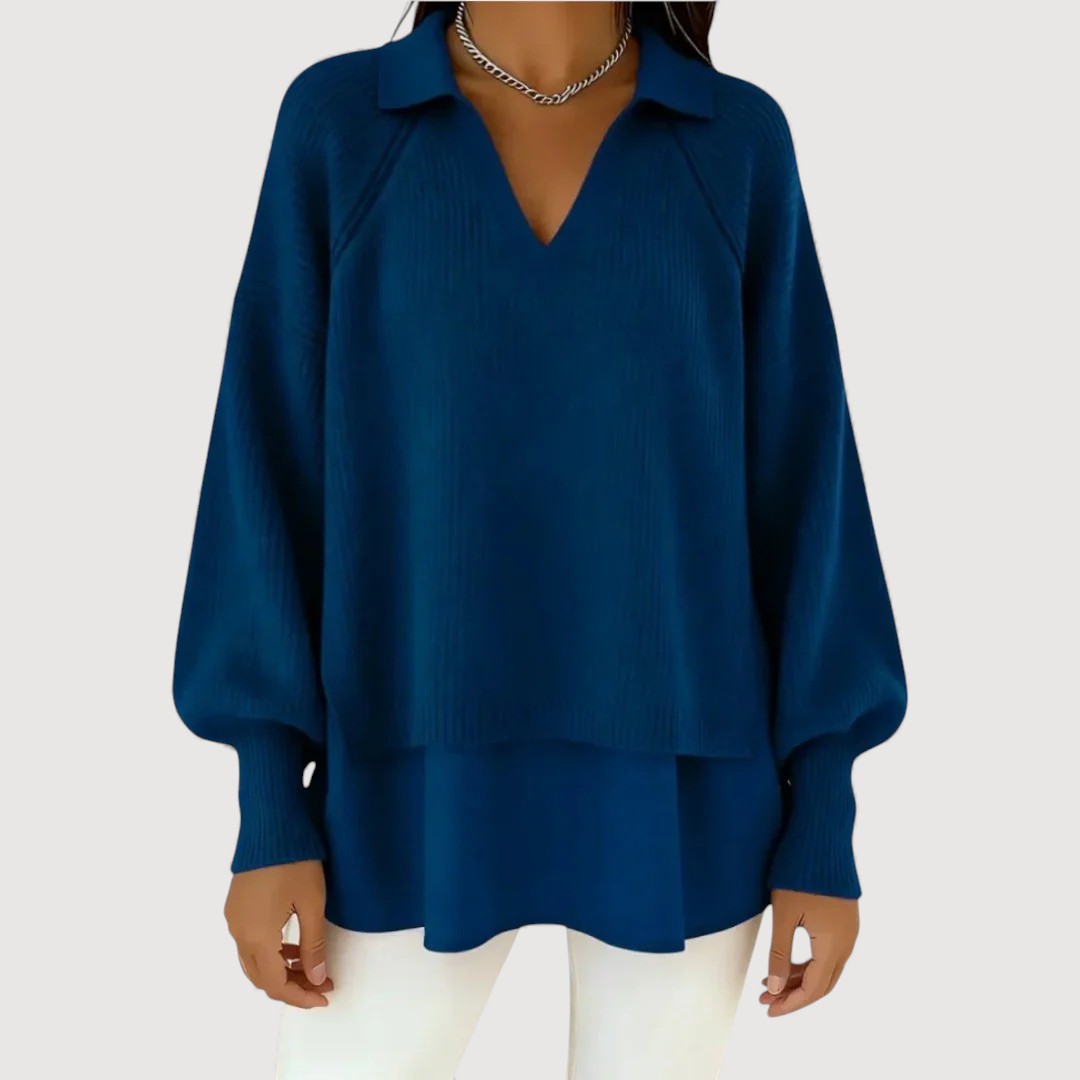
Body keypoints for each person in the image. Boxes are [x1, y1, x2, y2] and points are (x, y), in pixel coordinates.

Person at [172, 2, 907, 1075]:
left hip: (684, 789)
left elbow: (807, 485)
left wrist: (825, 816)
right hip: (406, 780)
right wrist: (268, 799)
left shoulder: (733, 141)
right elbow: (265, 465)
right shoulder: (342, 126)